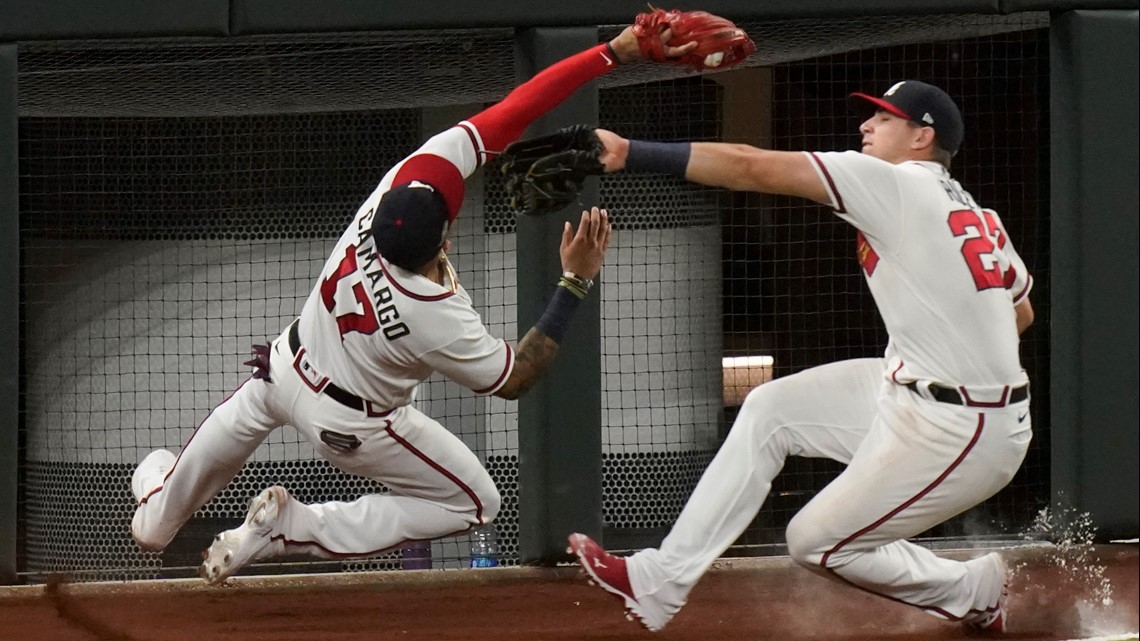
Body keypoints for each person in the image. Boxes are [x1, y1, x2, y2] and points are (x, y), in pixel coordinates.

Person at [128, 21, 696, 583]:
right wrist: (574, 281)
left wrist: (613, 51)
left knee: (152, 529)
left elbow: (516, 109)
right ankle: (293, 528)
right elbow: (517, 377)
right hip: (347, 422)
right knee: (475, 502)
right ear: (444, 241)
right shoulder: (431, 310)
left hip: (277, 372)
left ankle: (163, 482)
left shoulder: (393, 187)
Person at [568, 80, 1034, 634]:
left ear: (921, 136)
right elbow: (1021, 312)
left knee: (813, 542)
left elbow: (749, 166)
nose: (866, 126)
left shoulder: (893, 183)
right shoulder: (979, 214)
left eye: (884, 118)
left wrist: (629, 151)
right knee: (768, 409)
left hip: (966, 425)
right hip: (916, 389)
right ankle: (660, 579)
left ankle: (968, 589)